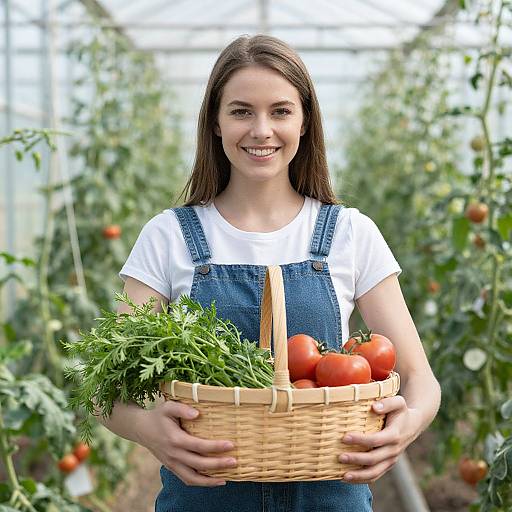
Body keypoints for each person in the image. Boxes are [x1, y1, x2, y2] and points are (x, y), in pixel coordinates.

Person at [99, 34, 441, 512]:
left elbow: (419, 377)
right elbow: (106, 389)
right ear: (215, 124)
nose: (261, 130)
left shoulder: (349, 233)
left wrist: (405, 428)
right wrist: (146, 428)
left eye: (280, 111)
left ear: (304, 123)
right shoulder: (169, 236)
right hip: (204, 496)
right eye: (241, 111)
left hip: (330, 496)